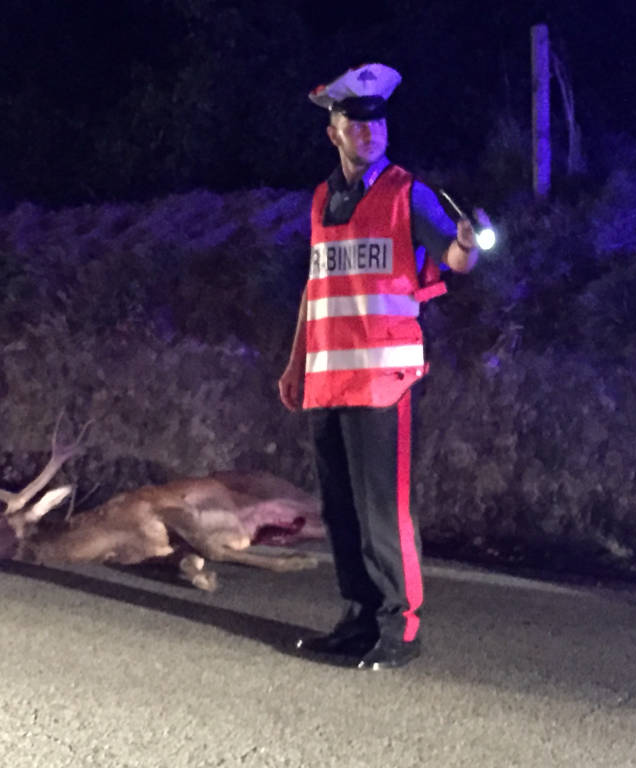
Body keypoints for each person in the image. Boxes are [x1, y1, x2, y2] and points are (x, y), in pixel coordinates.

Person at [278, 63, 482, 670]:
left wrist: (467, 247)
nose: (370, 133)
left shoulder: (405, 193)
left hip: (382, 380)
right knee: (340, 509)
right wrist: (295, 364)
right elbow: (315, 289)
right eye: (355, 124)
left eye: (377, 123)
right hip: (326, 380)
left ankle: (401, 625)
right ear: (333, 133)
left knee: (383, 510)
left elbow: (453, 254)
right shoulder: (321, 200)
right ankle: (358, 616)